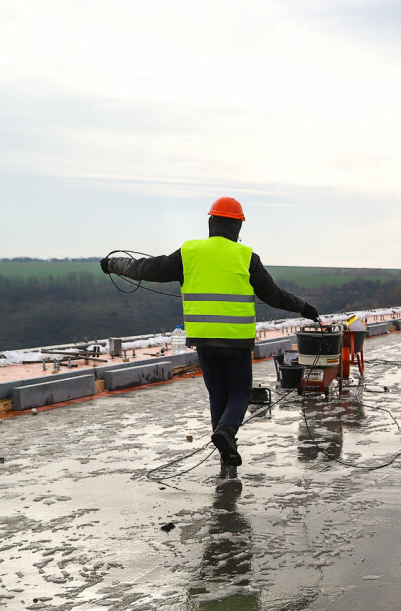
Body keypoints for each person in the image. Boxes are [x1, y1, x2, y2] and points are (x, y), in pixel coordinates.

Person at [102, 196, 320, 482]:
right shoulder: (246, 257)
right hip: (236, 340)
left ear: (211, 221)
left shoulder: (189, 252)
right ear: (237, 226)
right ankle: (226, 434)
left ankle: (225, 451)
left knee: (218, 394)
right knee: (240, 392)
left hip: (203, 339)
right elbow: (274, 295)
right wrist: (304, 307)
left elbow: (146, 269)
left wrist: (112, 264)